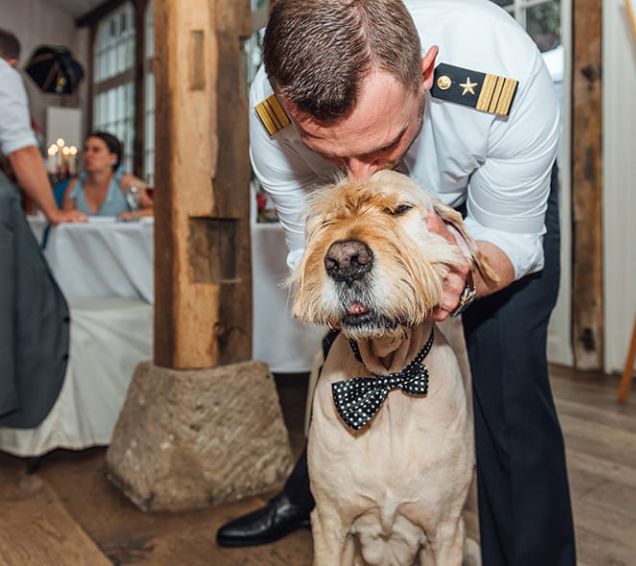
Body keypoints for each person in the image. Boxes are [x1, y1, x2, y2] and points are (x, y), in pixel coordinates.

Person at [217, 1, 576, 564]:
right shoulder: (272, 113)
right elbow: (306, 253)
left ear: (425, 75)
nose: (365, 173)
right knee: (346, 347)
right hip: (348, 223)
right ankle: (318, 494)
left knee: (511, 377)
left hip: (486, 201)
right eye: (334, 155)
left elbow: (512, 236)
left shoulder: (504, 70)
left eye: (382, 146)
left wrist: (465, 279)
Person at [0, 28, 85, 429]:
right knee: (27, 303)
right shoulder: (4, 75)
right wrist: (53, 211)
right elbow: (20, 147)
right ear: (13, 62)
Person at [62, 131, 153, 219]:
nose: (88, 154)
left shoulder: (126, 182)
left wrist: (134, 215)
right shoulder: (75, 184)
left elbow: (155, 210)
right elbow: (66, 219)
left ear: (113, 158)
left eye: (96, 150)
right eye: (86, 149)